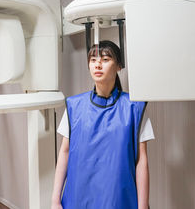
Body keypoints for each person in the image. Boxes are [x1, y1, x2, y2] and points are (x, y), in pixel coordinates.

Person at [51, 40, 155, 209]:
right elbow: (64, 152)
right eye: (93, 60)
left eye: (105, 59)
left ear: (119, 66)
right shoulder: (74, 106)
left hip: (118, 198)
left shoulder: (134, 107)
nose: (98, 65)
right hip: (78, 196)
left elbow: (141, 161)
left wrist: (143, 206)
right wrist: (55, 200)